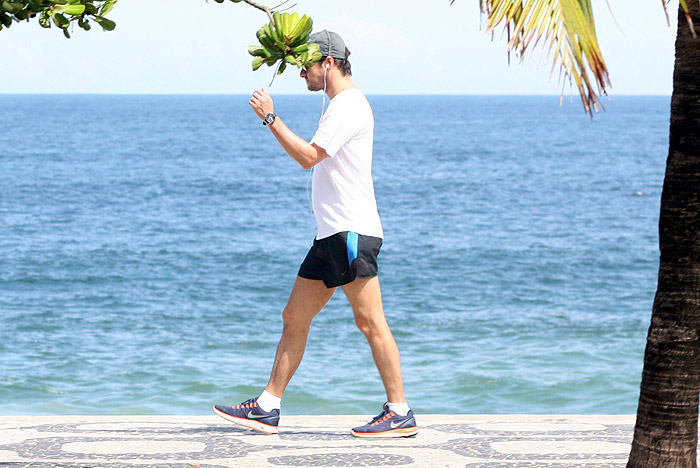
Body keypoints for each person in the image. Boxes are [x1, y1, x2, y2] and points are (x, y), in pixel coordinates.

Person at [213, 30, 417, 438]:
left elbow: (308, 157)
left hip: (351, 231)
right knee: (295, 315)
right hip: (331, 234)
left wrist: (271, 117)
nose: (301, 72)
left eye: (305, 65)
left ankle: (400, 412)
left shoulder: (348, 106)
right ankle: (268, 406)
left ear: (329, 62)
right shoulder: (338, 105)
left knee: (371, 322)